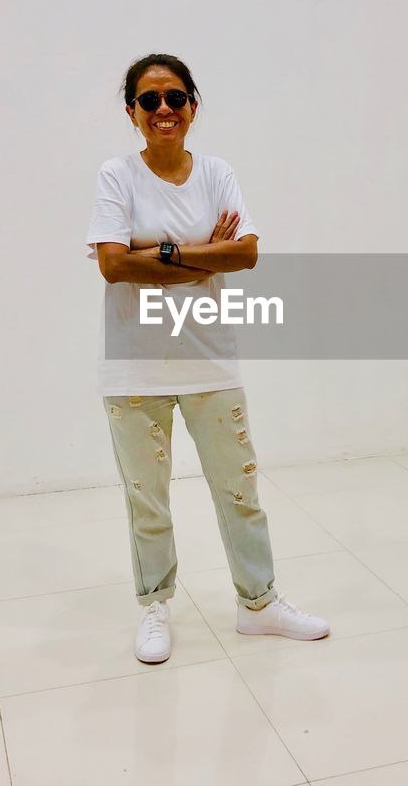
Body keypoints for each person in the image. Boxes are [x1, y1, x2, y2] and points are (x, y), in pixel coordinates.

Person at [86, 52, 329, 664]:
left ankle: (260, 604)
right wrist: (199, 253)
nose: (163, 109)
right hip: (134, 368)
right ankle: (154, 606)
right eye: (149, 100)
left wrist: (156, 250)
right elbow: (111, 265)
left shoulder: (218, 174)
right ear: (132, 112)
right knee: (148, 497)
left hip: (210, 362)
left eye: (175, 98)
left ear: (193, 105)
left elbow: (245, 255)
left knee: (239, 488)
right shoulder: (116, 177)